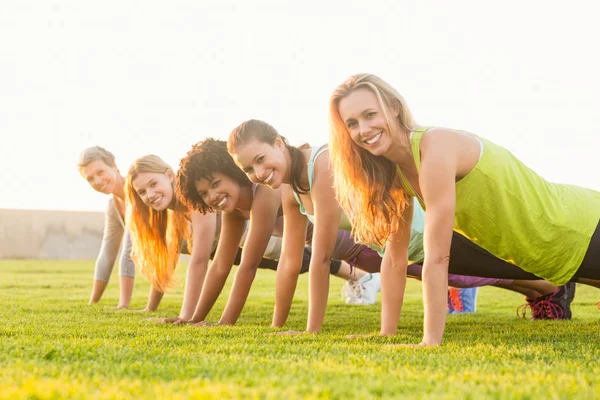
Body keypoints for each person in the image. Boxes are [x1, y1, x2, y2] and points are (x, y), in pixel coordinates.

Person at [328, 73, 600, 345]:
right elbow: (394, 260)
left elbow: (437, 258)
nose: (363, 130)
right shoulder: (397, 174)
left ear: (394, 108)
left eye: (370, 115)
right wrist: (386, 333)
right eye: (352, 123)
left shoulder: (435, 147)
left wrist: (430, 341)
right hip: (548, 255)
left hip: (579, 228)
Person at [228, 121, 568, 334]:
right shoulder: (290, 188)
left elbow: (319, 258)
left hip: (428, 230)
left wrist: (311, 331)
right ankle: (555, 288)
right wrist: (277, 327)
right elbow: (290, 262)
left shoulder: (322, 165)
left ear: (278, 142)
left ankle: (563, 281)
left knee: (520, 258)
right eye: (248, 170)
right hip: (403, 247)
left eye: (260, 159)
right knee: (494, 270)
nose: (258, 173)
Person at [174, 139, 381, 327]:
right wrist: (194, 319)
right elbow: (220, 266)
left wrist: (224, 324)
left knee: (409, 265)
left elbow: (248, 265)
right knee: (403, 267)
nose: (213, 196)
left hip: (361, 242)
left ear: (233, 172)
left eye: (216, 184)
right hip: (347, 252)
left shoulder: (265, 193)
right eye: (203, 193)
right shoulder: (235, 211)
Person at [77, 146, 135, 309]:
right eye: (90, 178)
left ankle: (124, 304)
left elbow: (129, 251)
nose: (97, 181)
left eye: (100, 172)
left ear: (114, 167)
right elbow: (108, 251)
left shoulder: (138, 190)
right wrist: (93, 302)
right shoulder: (113, 205)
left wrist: (123, 305)